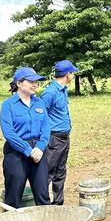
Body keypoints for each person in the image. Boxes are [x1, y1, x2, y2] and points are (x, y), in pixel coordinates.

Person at [0, 67, 51, 208]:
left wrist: (40, 148)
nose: (35, 85)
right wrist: (28, 150)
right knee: (14, 196)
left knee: (43, 195)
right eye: (31, 81)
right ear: (19, 83)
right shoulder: (8, 105)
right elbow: (9, 132)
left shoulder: (39, 103)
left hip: (39, 151)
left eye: (37, 82)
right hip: (16, 152)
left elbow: (46, 128)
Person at [40, 60, 79, 205]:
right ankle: (43, 204)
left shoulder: (63, 90)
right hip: (54, 138)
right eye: (72, 73)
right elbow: (41, 116)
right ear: (67, 74)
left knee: (60, 171)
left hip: (64, 137)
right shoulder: (50, 93)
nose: (73, 75)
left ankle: (58, 203)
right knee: (48, 172)